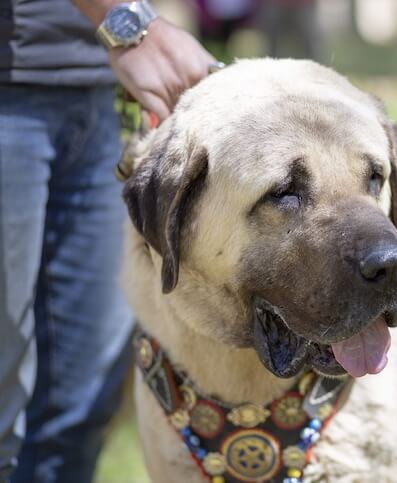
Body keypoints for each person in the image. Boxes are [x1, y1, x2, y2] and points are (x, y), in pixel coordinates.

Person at [0, 0, 214, 481]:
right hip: (14, 97)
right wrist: (130, 25)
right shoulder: (126, 23)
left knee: (81, 404)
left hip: (96, 92)